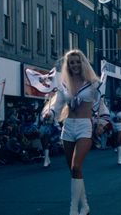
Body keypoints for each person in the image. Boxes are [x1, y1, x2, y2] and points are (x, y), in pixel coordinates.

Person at [42, 49, 106, 215]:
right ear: (68, 66)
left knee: (76, 165)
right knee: (73, 170)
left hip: (85, 126)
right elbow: (57, 104)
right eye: (71, 63)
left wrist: (102, 123)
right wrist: (49, 113)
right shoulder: (64, 84)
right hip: (68, 126)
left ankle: (73, 209)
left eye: (77, 62)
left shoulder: (94, 83)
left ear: (83, 63)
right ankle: (84, 205)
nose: (75, 65)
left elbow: (101, 105)